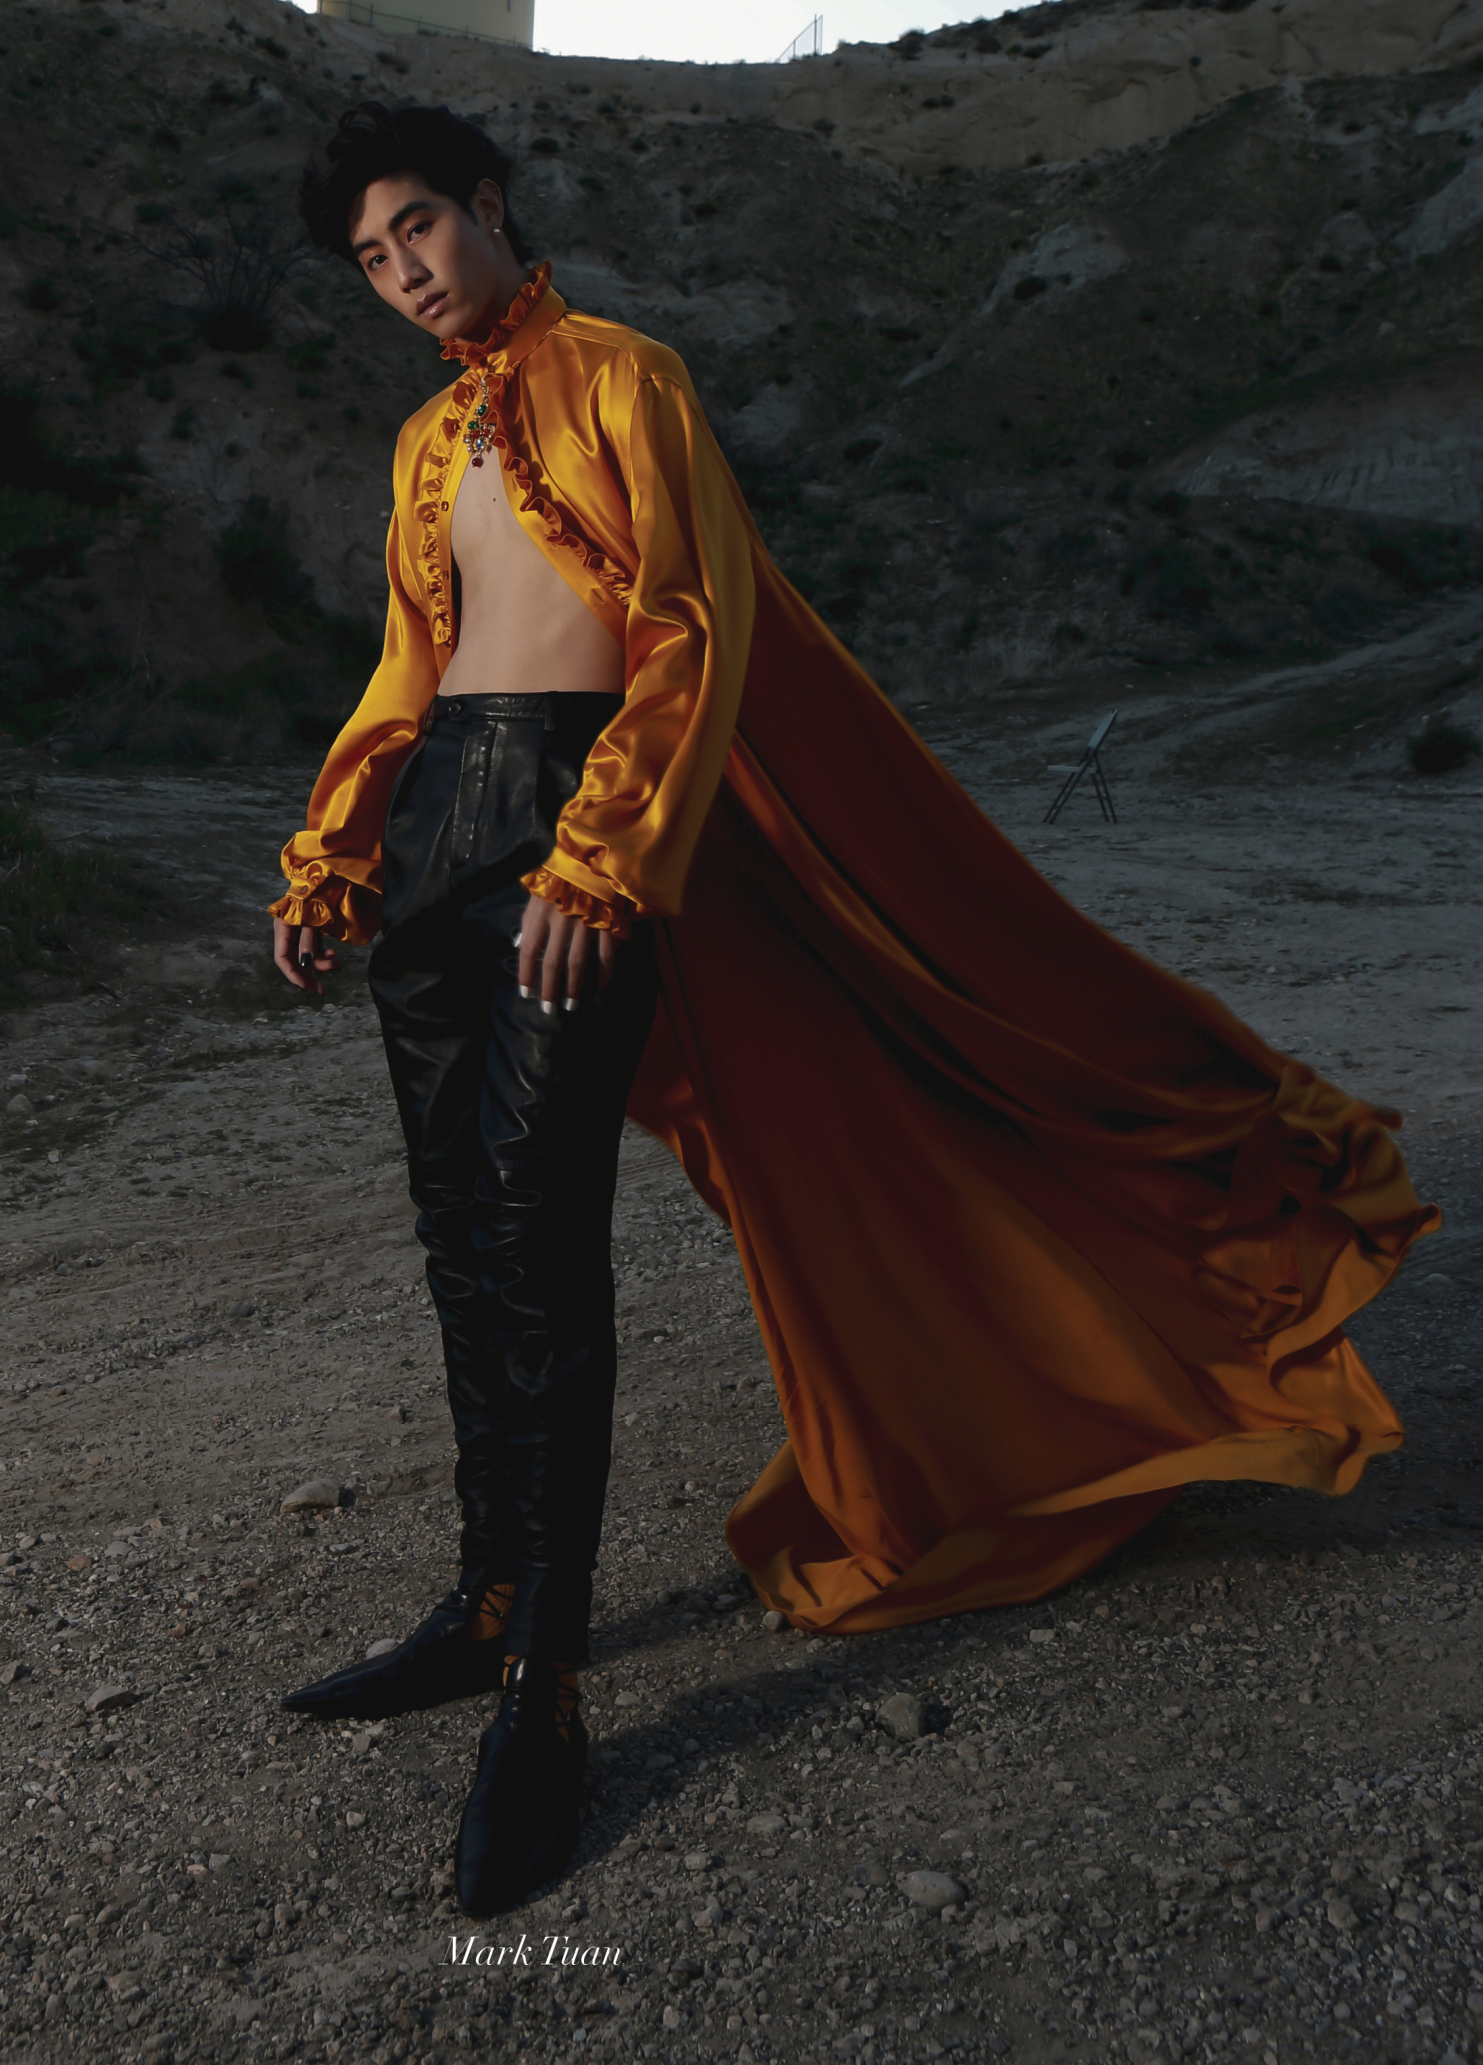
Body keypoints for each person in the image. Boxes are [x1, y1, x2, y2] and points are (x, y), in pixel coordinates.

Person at [268, 101, 1435, 1919]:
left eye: (419, 225)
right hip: (442, 836)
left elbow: (688, 622)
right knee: (460, 1235)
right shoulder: (426, 440)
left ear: (489, 205)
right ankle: (486, 1594)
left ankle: (546, 1683)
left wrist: (602, 858)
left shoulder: (625, 375)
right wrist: (338, 852)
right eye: (371, 257)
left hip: (577, 821)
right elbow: (413, 658)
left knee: (540, 1236)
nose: (404, 270)